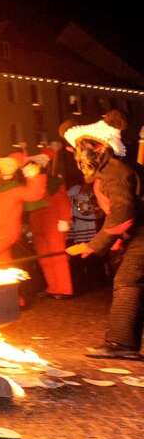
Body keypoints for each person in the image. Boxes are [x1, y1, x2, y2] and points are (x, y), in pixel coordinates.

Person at [62, 112, 144, 360]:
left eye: (86, 146)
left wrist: (94, 245)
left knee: (128, 280)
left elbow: (124, 212)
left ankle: (122, 344)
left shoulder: (114, 170)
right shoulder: (114, 168)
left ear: (101, 147)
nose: (80, 152)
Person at [25, 144, 73, 298]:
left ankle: (65, 289)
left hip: (53, 225)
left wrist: (65, 219)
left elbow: (63, 200)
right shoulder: (30, 185)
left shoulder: (53, 182)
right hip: (38, 225)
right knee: (44, 259)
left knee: (58, 257)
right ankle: (53, 287)